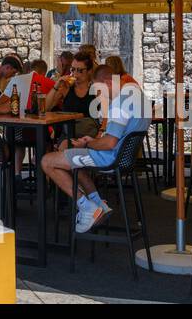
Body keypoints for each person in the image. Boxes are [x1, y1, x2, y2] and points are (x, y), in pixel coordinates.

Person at [41, 63, 150, 233]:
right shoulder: (137, 93)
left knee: (47, 161)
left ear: (106, 83)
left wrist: (87, 143)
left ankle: (85, 207)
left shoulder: (121, 101)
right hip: (124, 158)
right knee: (74, 159)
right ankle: (98, 204)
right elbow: (113, 139)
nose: (99, 97)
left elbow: (109, 143)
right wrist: (91, 142)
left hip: (111, 158)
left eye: (98, 91)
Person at [51, 51, 102, 138]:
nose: (75, 74)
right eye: (73, 69)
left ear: (89, 71)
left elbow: (106, 114)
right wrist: (57, 85)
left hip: (89, 135)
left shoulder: (96, 90)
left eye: (80, 70)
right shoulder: (66, 88)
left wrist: (100, 132)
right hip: (67, 135)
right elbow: (47, 106)